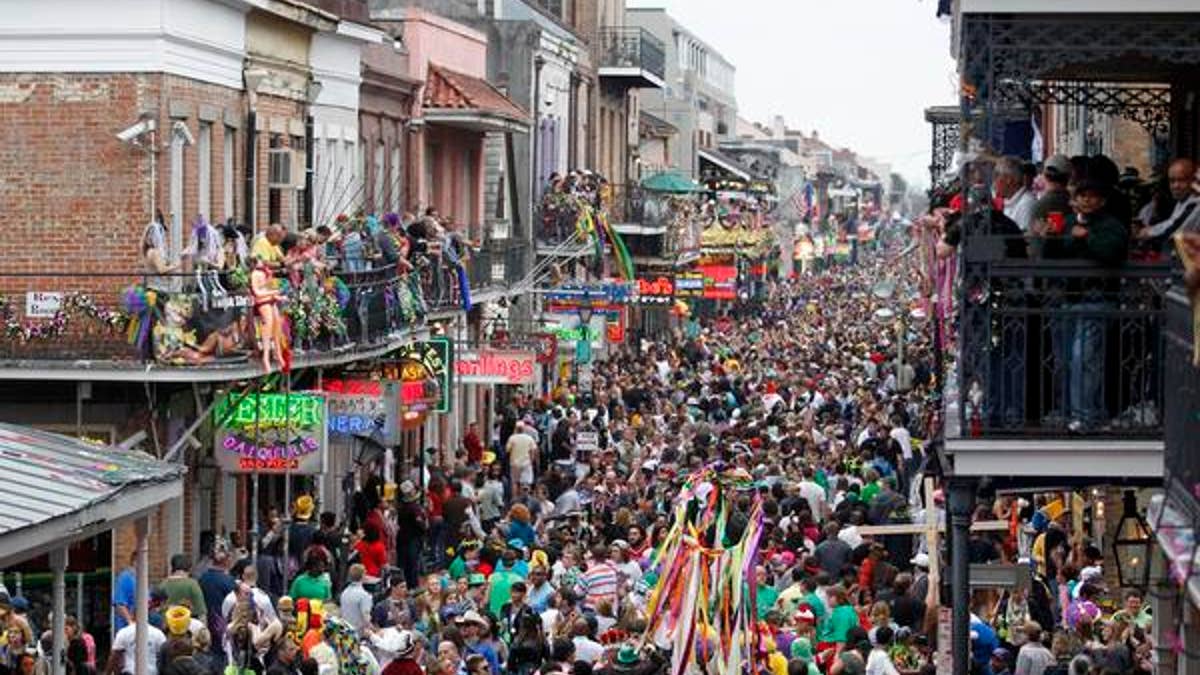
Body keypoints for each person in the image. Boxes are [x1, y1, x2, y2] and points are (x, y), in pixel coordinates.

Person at [1136, 158, 1200, 251]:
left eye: (1181, 180)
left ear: (1193, 180)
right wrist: (1150, 230)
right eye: (1172, 181)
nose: (1175, 186)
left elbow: (1174, 231)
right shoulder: (1182, 201)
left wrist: (1149, 232)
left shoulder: (1195, 202)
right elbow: (1172, 222)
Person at [996, 155, 1037, 232]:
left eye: (997, 176)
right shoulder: (1010, 201)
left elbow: (1023, 240)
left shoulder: (1027, 204)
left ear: (1008, 180)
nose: (995, 183)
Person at [161, 555, 208, 620]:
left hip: (167, 625)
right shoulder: (192, 584)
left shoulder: (163, 584)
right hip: (187, 625)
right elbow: (201, 612)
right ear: (189, 568)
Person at [338, 564, 373, 635]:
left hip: (345, 632)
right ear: (363, 576)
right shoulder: (364, 595)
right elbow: (366, 618)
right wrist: (375, 630)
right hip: (358, 634)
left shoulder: (344, 592)